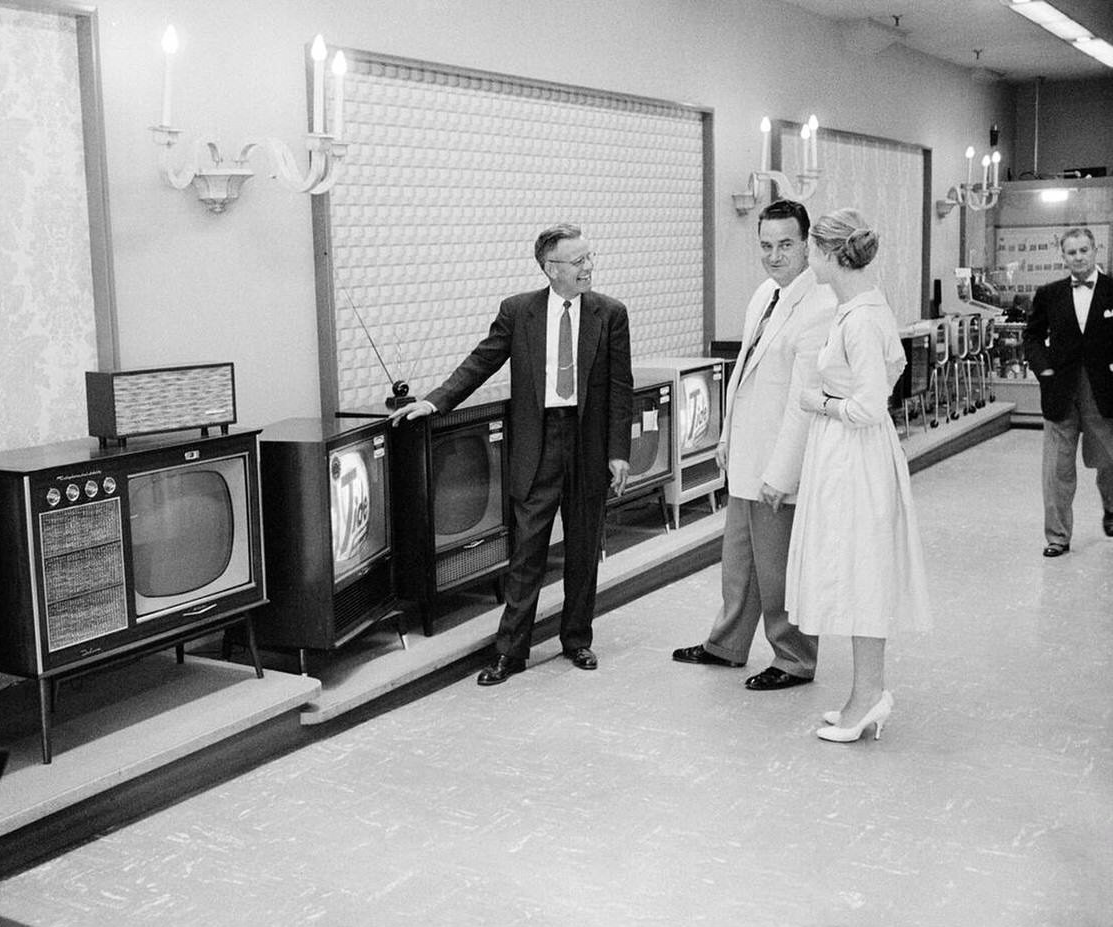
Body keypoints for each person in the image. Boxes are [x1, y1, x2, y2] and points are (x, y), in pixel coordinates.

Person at [390, 223, 633, 686]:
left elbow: (620, 388)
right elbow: (481, 361)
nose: (589, 268)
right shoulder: (519, 312)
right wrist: (436, 400)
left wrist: (618, 453)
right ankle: (511, 652)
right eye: (578, 261)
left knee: (583, 548)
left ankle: (577, 640)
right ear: (550, 268)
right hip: (537, 444)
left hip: (588, 444)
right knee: (527, 554)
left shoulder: (610, 313)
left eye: (590, 258)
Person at [672, 200, 835, 690]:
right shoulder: (765, 293)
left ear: (807, 244)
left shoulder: (820, 305)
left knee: (779, 566)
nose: (775, 254)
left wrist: (781, 473)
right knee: (739, 561)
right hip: (746, 451)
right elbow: (743, 370)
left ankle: (794, 658)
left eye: (786, 244)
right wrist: (724, 437)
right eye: (766, 245)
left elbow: (803, 402)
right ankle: (727, 645)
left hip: (780, 461)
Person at [787, 208, 930, 743]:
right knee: (849, 572)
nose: (808, 261)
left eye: (812, 252)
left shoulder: (863, 317)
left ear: (827, 254)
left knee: (860, 574)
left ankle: (869, 696)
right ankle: (861, 694)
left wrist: (817, 401)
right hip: (846, 456)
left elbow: (870, 404)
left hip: (855, 458)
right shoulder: (856, 310)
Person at [1022, 227, 1113, 558]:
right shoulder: (1049, 294)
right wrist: (1044, 370)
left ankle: (1111, 506)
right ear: (1063, 256)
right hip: (1060, 393)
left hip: (1103, 393)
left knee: (1109, 460)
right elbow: (1031, 337)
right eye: (1071, 252)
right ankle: (1057, 537)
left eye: (1084, 250)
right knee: (1057, 471)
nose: (1078, 257)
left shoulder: (1111, 289)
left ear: (1094, 250)